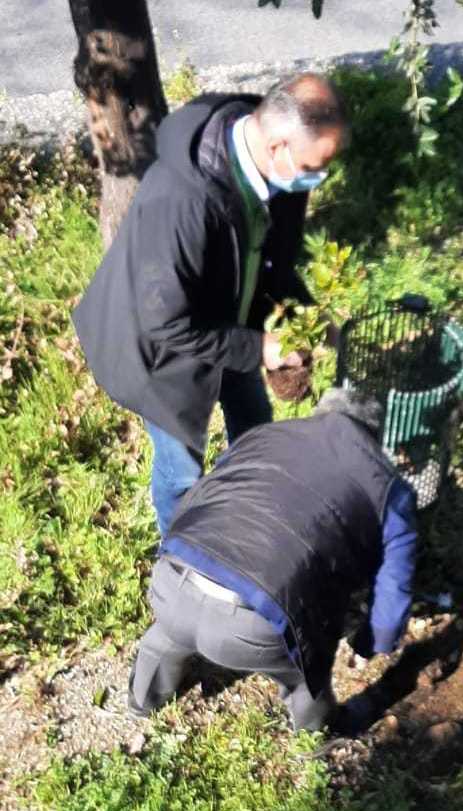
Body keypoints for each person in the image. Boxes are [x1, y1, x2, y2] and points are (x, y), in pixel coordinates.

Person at [73, 73, 350, 535]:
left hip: (229, 321)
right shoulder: (182, 202)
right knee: (181, 468)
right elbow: (165, 321)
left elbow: (275, 262)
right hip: (160, 355)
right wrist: (259, 348)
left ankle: (247, 511)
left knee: (254, 422)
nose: (316, 179)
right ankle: (179, 548)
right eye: (312, 167)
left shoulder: (281, 175)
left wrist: (309, 317)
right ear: (278, 146)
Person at [127, 389, 418, 733]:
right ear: (375, 436)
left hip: (172, 580)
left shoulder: (264, 435)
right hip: (253, 625)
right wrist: (373, 642)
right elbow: (394, 586)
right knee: (304, 677)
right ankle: (316, 734)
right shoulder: (389, 488)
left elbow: (211, 490)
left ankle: (141, 699)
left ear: (320, 414)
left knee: (168, 633)